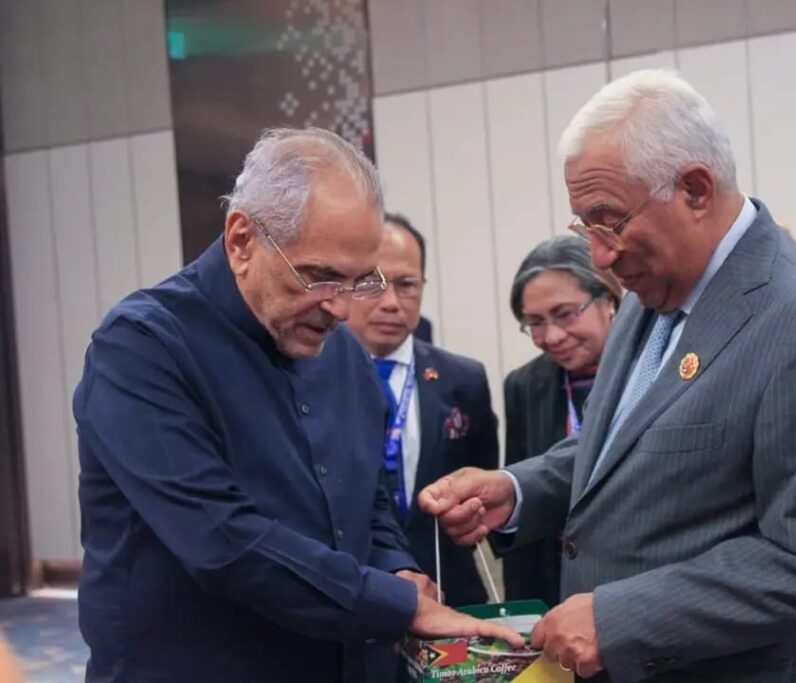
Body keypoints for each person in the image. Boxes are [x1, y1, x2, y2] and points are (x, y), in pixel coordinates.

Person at [420, 69, 796, 682]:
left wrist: (619, 619)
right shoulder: (652, 295)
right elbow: (629, 448)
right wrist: (519, 489)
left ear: (695, 190)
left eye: (610, 220)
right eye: (585, 227)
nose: (599, 255)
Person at [73, 127, 520, 683]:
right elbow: (221, 539)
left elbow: (369, 500)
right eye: (320, 277)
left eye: (359, 280)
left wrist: (397, 570)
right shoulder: (143, 348)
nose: (341, 308)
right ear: (242, 240)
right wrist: (393, 604)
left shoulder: (344, 355)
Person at [346, 212, 499, 607]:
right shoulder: (308, 376)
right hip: (351, 595)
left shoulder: (463, 379)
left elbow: (480, 479)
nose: (391, 303)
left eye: (407, 285)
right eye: (373, 283)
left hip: (449, 591)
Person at [502, 236, 622, 608]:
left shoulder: (651, 371)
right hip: (555, 584)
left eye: (565, 314)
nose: (551, 336)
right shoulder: (525, 385)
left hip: (635, 584)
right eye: (535, 322)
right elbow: (520, 503)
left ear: (609, 301)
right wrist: (523, 611)